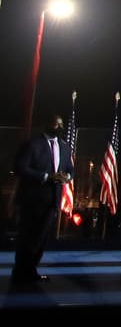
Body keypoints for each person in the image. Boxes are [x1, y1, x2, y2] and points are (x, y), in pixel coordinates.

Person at [11, 115, 72, 283]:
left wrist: (66, 177)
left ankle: (31, 270)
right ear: (47, 125)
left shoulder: (65, 147)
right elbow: (20, 168)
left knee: (41, 238)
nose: (59, 127)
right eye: (56, 124)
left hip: (53, 200)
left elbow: (69, 169)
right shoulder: (32, 144)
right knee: (27, 237)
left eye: (61, 124)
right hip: (32, 200)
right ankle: (20, 272)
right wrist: (46, 176)